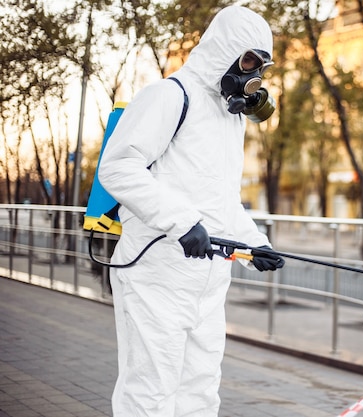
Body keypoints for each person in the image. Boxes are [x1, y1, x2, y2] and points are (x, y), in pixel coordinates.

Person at [98, 6, 284, 417]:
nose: (254, 73)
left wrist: (256, 246)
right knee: (150, 392)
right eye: (250, 60)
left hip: (208, 281)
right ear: (226, 50)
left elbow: (221, 202)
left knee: (200, 393)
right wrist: (180, 222)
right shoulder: (169, 95)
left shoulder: (230, 119)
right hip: (155, 274)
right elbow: (118, 167)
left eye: (261, 65)